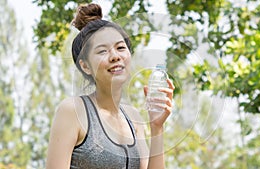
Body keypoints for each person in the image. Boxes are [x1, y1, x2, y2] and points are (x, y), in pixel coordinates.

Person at [46, 2, 175, 169]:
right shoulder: (73, 110)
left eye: (120, 48)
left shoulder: (133, 117)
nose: (115, 56)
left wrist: (157, 128)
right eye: (102, 51)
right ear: (85, 65)